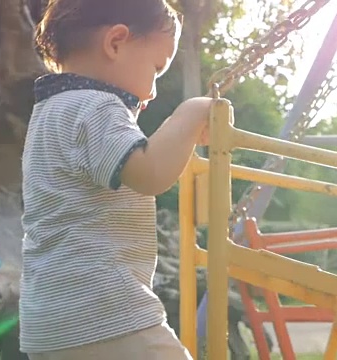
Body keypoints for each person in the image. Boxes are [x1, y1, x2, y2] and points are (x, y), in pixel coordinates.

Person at [20, 0, 211, 358]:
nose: (153, 90)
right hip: (103, 306)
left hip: (49, 320)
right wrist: (191, 113)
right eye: (157, 68)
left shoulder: (50, 110)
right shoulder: (96, 106)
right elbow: (150, 172)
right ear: (116, 42)